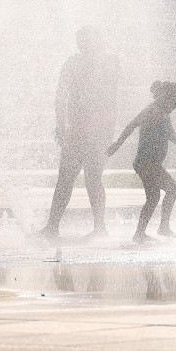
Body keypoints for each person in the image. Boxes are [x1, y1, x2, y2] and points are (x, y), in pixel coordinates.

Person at [38, 25, 120, 240]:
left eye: (86, 41)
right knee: (66, 178)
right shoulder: (74, 63)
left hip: (97, 131)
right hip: (77, 130)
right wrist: (60, 124)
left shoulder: (108, 62)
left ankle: (98, 228)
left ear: (97, 41)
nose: (82, 45)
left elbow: (111, 97)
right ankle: (53, 227)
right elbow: (60, 95)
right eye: (80, 42)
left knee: (92, 178)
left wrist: (109, 128)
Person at [107, 81, 176, 244]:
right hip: (146, 162)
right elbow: (132, 125)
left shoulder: (164, 114)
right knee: (169, 191)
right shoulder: (152, 110)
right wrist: (117, 144)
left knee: (156, 196)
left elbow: (172, 136)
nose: (175, 106)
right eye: (174, 102)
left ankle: (147, 231)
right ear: (166, 98)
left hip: (150, 162)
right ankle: (152, 230)